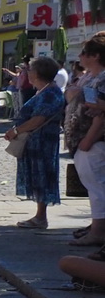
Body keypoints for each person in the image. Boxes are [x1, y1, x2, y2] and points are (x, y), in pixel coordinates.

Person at [5, 55, 64, 230]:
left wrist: (16, 131)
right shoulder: (44, 91)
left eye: (29, 69)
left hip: (43, 142)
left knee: (42, 177)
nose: (26, 72)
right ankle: (39, 215)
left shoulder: (50, 93)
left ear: (37, 73)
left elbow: (38, 119)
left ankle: (41, 217)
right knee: (38, 177)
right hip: (37, 142)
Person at [65, 37, 105, 247]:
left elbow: (100, 113)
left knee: (97, 186)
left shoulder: (103, 78)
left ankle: (98, 232)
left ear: (95, 56)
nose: (79, 56)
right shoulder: (93, 76)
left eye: (84, 53)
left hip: (93, 141)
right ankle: (96, 226)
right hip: (83, 139)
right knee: (94, 186)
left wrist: (89, 139)